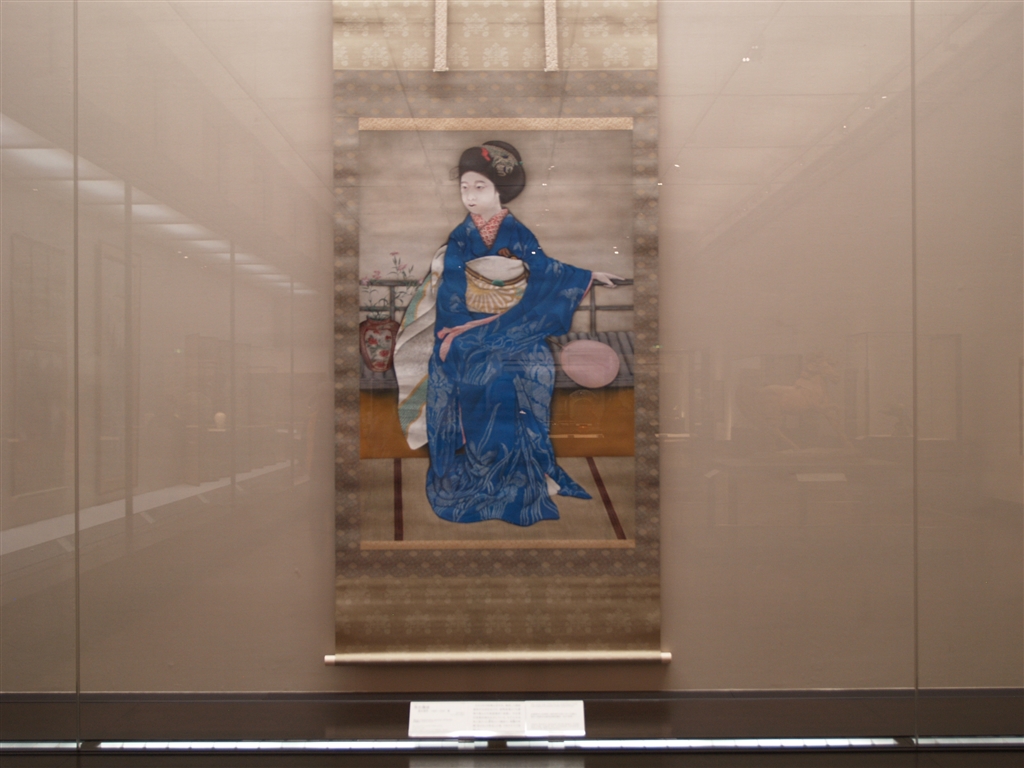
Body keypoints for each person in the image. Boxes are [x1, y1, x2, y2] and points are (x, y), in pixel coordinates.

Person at [421, 140, 620, 526]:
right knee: (481, 371)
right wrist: (463, 328)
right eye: (464, 188)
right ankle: (485, 468)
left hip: (514, 327)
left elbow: (545, 271)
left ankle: (529, 469)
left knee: (527, 368)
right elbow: (452, 291)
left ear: (500, 189)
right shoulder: (461, 237)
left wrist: (587, 276)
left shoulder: (518, 232)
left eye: (480, 187)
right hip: (469, 330)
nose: (470, 196)